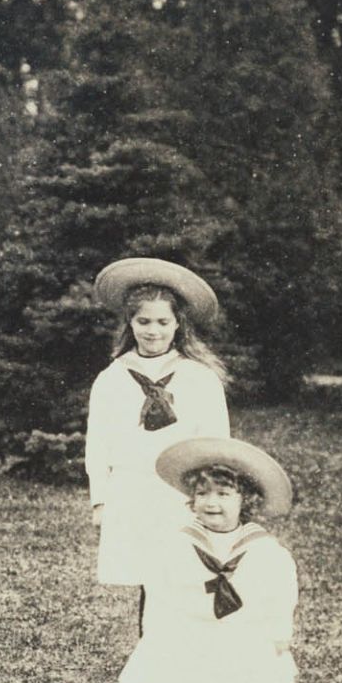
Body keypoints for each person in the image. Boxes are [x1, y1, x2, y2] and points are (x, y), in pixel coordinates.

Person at [116, 437, 299, 683]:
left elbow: (280, 591)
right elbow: (159, 585)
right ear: (191, 500)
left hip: (243, 630)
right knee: (180, 676)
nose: (211, 503)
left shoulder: (263, 549)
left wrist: (279, 632)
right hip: (190, 625)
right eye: (202, 494)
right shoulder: (179, 542)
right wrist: (159, 625)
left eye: (223, 494)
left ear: (246, 500)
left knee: (248, 680)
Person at [85, 258, 232, 629]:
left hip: (180, 493)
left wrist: (211, 497)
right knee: (149, 579)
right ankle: (152, 657)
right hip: (132, 491)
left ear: (178, 323)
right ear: (130, 324)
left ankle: (189, 659)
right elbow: (98, 441)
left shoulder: (198, 379)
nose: (153, 332)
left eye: (163, 322)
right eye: (143, 322)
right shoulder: (112, 378)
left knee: (184, 576)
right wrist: (100, 499)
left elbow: (217, 442)